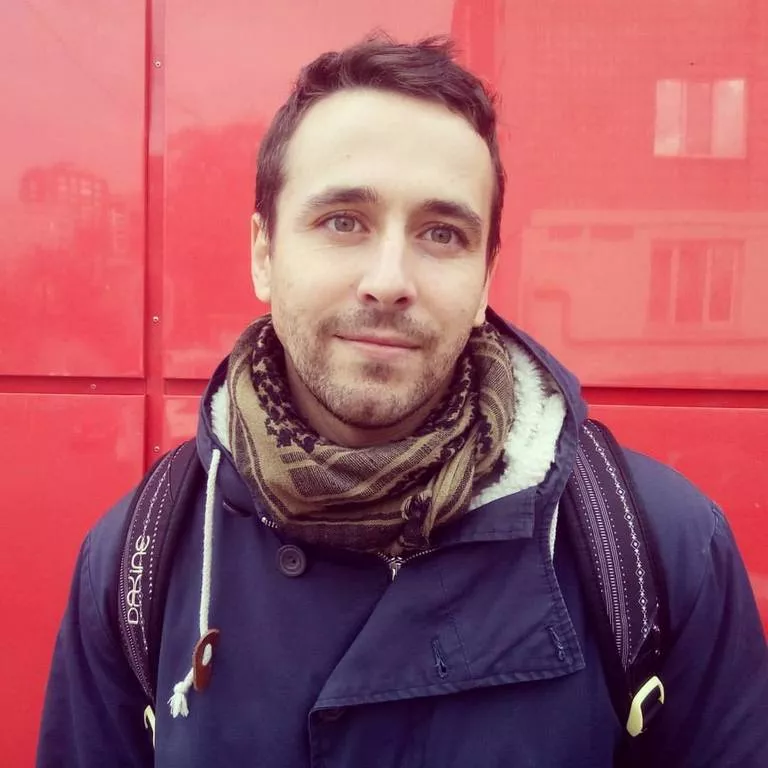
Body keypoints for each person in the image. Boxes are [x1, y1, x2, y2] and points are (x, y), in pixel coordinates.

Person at [37, 36, 767, 767]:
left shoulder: (661, 549)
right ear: (264, 252)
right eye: (343, 221)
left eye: (442, 234)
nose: (389, 281)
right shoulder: (138, 563)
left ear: (484, 281)